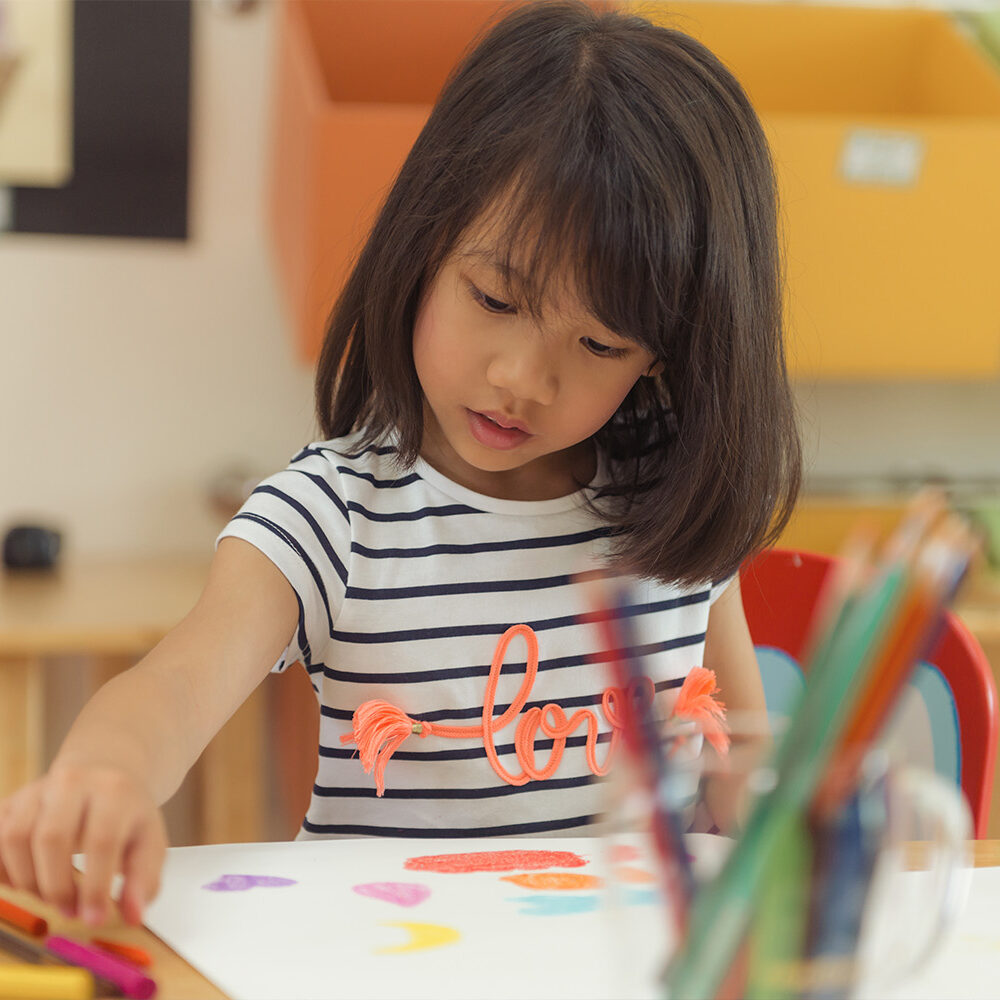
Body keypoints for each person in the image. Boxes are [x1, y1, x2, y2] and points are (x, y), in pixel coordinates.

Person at [0, 0, 800, 928]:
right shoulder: (330, 518)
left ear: (664, 352)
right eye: (496, 297)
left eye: (597, 343)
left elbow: (742, 775)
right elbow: (173, 687)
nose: (520, 379)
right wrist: (105, 776)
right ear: (425, 241)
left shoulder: (671, 513)